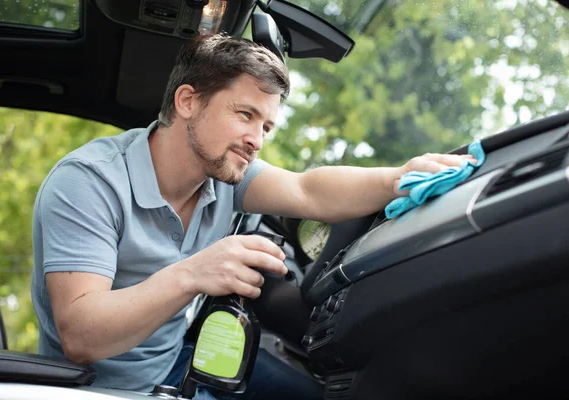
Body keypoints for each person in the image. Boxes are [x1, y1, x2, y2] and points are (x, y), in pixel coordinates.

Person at [30, 34, 475, 399]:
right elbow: (81, 337)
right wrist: (193, 274)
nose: (256, 139)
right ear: (188, 101)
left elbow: (307, 190)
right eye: (245, 114)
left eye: (265, 126)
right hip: (95, 391)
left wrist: (396, 179)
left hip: (178, 366)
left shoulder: (223, 173)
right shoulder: (89, 182)